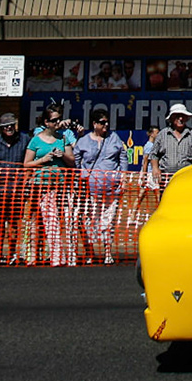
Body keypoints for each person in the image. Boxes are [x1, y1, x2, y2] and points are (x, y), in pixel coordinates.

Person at [25, 104, 76, 266]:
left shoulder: (63, 138)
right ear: (46, 122)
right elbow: (26, 164)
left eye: (59, 119)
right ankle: (45, 256)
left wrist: (63, 156)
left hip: (60, 185)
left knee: (61, 220)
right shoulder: (36, 140)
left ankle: (63, 256)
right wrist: (43, 160)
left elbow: (72, 161)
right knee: (45, 221)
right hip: (41, 185)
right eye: (54, 120)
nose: (57, 123)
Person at [74, 108, 127, 264]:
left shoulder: (114, 138)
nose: (106, 125)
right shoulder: (83, 141)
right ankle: (90, 251)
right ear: (94, 124)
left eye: (107, 122)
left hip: (112, 187)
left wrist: (122, 176)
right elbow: (77, 161)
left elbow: (122, 156)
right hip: (91, 189)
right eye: (102, 122)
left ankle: (107, 252)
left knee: (108, 220)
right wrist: (82, 177)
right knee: (90, 220)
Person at [0, 112, 30, 264]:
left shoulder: (24, 140)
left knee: (14, 222)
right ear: (1, 128)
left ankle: (12, 252)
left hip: (17, 189)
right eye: (5, 126)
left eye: (11, 125)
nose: (9, 128)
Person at [150, 103, 192, 179]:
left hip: (187, 177)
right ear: (171, 118)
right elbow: (153, 154)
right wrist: (155, 168)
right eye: (177, 116)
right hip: (166, 178)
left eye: (183, 116)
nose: (180, 119)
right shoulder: (162, 134)